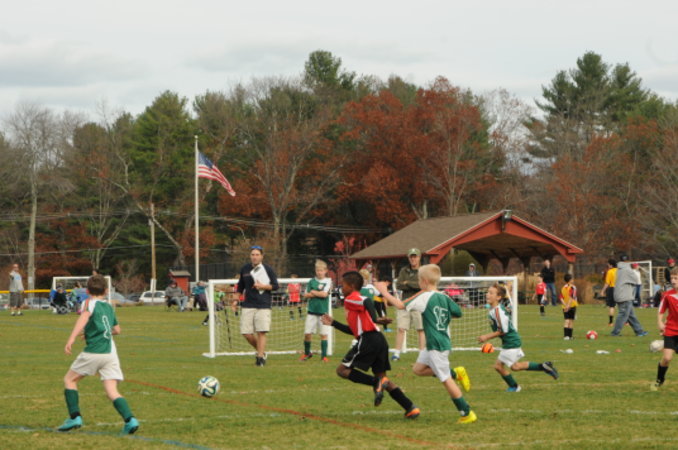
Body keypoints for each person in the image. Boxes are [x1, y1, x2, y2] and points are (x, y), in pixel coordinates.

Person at [383, 264, 476, 424]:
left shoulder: (425, 297)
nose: (418, 282)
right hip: (436, 343)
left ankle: (466, 413)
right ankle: (456, 373)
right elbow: (458, 312)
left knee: (446, 380)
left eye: (419, 280)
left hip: (437, 345)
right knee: (418, 369)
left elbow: (400, 305)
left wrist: (384, 292)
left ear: (424, 281)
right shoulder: (444, 296)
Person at [320, 271, 420, 419]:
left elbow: (366, 300)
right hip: (379, 340)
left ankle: (376, 382)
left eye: (344, 285)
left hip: (368, 340)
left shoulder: (351, 299)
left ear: (352, 286)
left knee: (342, 370)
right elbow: (353, 330)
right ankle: (410, 407)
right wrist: (334, 323)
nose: (341, 288)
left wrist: (375, 318)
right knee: (384, 379)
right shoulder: (354, 305)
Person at [56, 275, 139, 434]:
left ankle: (75, 417)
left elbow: (84, 317)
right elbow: (117, 330)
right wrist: (94, 333)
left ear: (87, 291)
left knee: (69, 380)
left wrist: (72, 338)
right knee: (111, 390)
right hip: (110, 353)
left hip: (95, 351)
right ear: (106, 291)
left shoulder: (88, 302)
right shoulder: (108, 306)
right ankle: (130, 420)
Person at [478, 283, 559, 392]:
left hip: (511, 342)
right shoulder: (495, 309)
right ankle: (543, 366)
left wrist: (486, 337)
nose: (487, 294)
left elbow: (502, 330)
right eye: (488, 292)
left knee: (498, 366)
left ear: (498, 297)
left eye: (491, 293)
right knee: (515, 366)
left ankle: (515, 386)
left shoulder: (497, 311)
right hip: (511, 341)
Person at [235, 245, 279, 367]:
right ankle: (262, 352)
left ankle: (260, 358)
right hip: (248, 304)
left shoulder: (268, 269)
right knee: (246, 333)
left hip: (263, 304)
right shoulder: (245, 269)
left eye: (257, 255)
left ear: (262, 256)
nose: (254, 257)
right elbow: (240, 287)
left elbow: (275, 286)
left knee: (261, 332)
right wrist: (235, 300)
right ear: (250, 256)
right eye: (253, 255)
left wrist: (263, 286)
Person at [392, 248, 426, 361]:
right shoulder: (404, 270)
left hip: (419, 303)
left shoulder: (423, 271)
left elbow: (423, 286)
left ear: (419, 257)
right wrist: (413, 284)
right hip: (405, 303)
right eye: (411, 257)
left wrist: (408, 283)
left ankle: (421, 355)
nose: (413, 259)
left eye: (415, 256)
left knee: (420, 329)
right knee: (401, 328)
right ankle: (396, 353)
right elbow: (399, 285)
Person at [299, 260, 333, 362]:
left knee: (323, 334)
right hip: (311, 311)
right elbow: (306, 295)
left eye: (321, 270)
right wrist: (318, 293)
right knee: (307, 333)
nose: (319, 272)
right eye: (318, 270)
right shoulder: (311, 281)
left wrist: (313, 292)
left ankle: (324, 356)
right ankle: (307, 353)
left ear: (325, 271)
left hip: (323, 312)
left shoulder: (328, 281)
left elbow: (324, 295)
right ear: (315, 271)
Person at [653, 267, 678, 390]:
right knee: (667, 358)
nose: (673, 281)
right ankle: (660, 379)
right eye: (672, 278)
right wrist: (660, 322)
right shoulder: (667, 295)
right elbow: (661, 310)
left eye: (676, 278)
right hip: (671, 330)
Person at [611, 255, 648, 337]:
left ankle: (639, 331)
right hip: (625, 295)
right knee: (623, 315)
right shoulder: (627, 269)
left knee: (631, 315)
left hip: (619, 294)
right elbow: (636, 280)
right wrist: (636, 270)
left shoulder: (618, 269)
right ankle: (615, 333)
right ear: (628, 260)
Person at [599, 259, 617, 326]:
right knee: (623, 306)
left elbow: (607, 283)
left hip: (612, 289)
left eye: (608, 264)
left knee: (611, 306)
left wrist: (602, 291)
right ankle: (626, 322)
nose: (608, 265)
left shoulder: (610, 272)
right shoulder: (619, 271)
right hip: (620, 289)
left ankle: (611, 322)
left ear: (611, 265)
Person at [560, 273, 577, 340]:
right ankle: (569, 336)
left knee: (566, 320)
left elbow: (561, 298)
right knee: (571, 321)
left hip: (565, 307)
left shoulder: (563, 288)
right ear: (570, 280)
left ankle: (566, 336)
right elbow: (571, 297)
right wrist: (568, 306)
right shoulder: (573, 287)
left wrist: (565, 305)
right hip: (572, 306)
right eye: (572, 279)